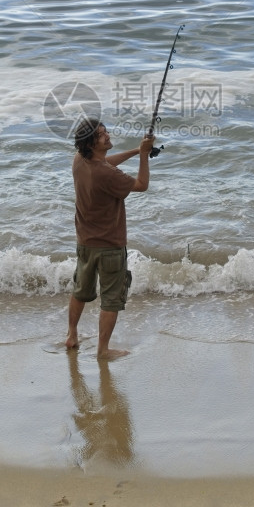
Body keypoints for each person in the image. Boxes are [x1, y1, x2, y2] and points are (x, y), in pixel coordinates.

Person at [66, 118, 154, 360]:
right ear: (92, 144)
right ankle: (103, 351)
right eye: (102, 135)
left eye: (105, 131)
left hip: (85, 242)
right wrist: (145, 157)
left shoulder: (79, 160)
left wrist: (138, 150)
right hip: (110, 247)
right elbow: (141, 184)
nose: (107, 136)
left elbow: (105, 164)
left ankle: (72, 335)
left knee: (80, 290)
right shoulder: (106, 175)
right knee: (111, 300)